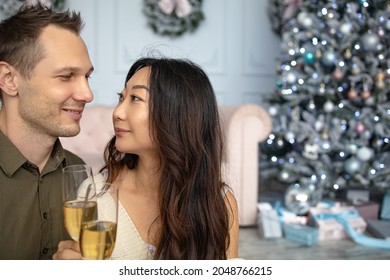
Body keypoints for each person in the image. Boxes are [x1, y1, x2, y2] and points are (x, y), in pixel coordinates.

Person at [54, 57, 239, 260]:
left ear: (176, 114)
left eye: (135, 98)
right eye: (121, 98)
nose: (117, 112)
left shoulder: (218, 202)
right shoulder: (96, 196)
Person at [0, 3, 94, 260]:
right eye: (66, 76)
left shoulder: (81, 175)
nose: (88, 94)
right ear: (9, 79)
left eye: (87, 77)